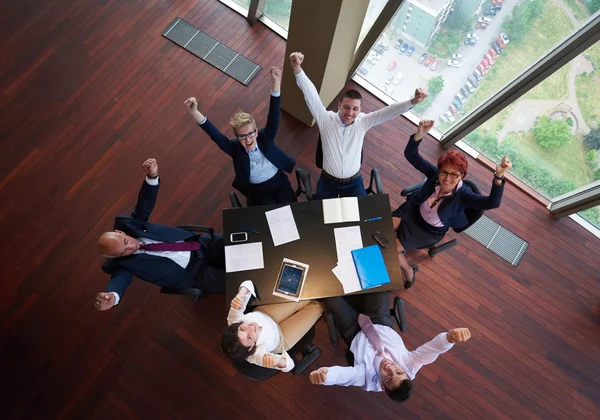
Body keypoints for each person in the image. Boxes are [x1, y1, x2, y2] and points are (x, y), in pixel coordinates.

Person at [289, 52, 428, 199]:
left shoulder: (363, 121)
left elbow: (388, 112)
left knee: (362, 215)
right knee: (322, 214)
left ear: (360, 109)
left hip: (354, 183)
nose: (350, 113)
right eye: (346, 107)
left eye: (355, 109)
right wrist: (297, 69)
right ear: (339, 105)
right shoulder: (325, 119)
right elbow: (311, 95)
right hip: (328, 181)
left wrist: (413, 101)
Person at [94, 158, 226, 311]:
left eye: (125, 241)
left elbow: (144, 205)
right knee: (240, 282)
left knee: (246, 242)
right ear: (118, 257)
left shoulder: (129, 224)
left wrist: (151, 177)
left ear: (120, 232)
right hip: (194, 275)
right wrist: (113, 296)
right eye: (124, 251)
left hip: (201, 245)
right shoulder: (121, 265)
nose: (131, 246)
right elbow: (119, 281)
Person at [393, 120, 512, 288]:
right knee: (381, 231)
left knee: (390, 250)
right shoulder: (435, 175)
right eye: (444, 173)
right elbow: (411, 156)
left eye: (454, 175)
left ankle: (408, 271)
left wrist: (498, 176)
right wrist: (419, 134)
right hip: (412, 212)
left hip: (428, 230)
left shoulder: (464, 195)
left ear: (462, 176)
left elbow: (492, 203)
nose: (447, 179)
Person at [309, 292, 471, 402]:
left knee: (330, 297)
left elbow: (345, 376)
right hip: (380, 320)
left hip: (353, 332)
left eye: (388, 377)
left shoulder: (366, 378)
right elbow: (431, 351)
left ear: (381, 384)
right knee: (374, 274)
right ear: (405, 372)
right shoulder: (409, 365)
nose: (391, 369)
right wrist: (450, 338)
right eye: (399, 372)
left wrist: (326, 376)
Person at [184, 67, 296, 206]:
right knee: (268, 218)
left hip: (279, 183)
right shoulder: (235, 149)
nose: (248, 140)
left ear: (256, 131)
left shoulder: (265, 137)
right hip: (258, 191)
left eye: (250, 134)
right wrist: (194, 112)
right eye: (242, 136)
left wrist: (276, 82)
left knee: (291, 209)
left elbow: (274, 115)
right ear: (236, 137)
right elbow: (215, 135)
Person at [222, 280, 324, 372]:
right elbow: (290, 365)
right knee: (317, 308)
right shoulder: (256, 356)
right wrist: (277, 361)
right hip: (281, 338)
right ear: (251, 347)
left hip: (267, 314)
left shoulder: (234, 320)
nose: (250, 328)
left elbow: (248, 283)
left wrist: (240, 294)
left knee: (305, 295)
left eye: (242, 328)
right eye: (249, 337)